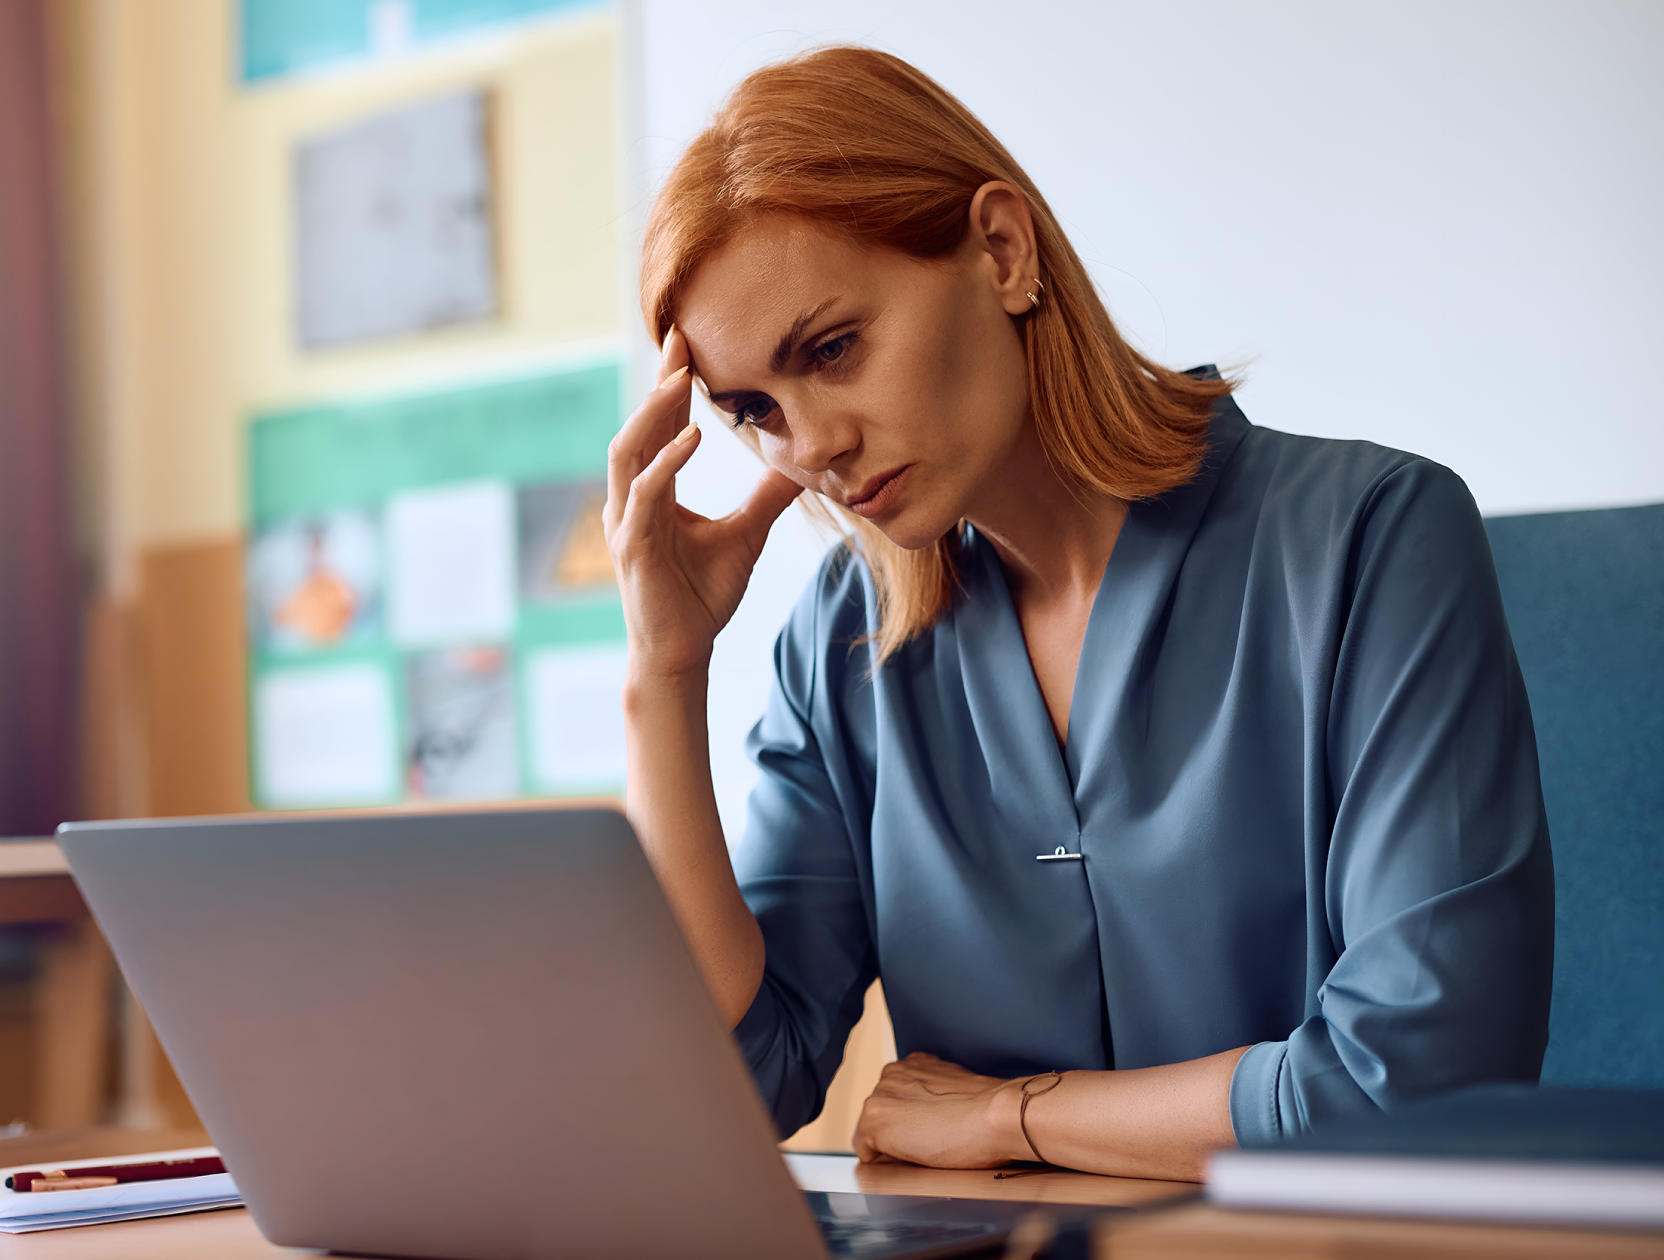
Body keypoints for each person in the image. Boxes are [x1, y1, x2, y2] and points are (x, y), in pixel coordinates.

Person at [604, 46, 1552, 1183]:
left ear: (1001, 252)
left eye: (834, 350)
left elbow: (1419, 1079)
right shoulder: (840, 642)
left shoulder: (1372, 535)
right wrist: (662, 673)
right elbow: (740, 1085)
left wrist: (1011, 1118)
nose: (808, 446)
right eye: (753, 408)